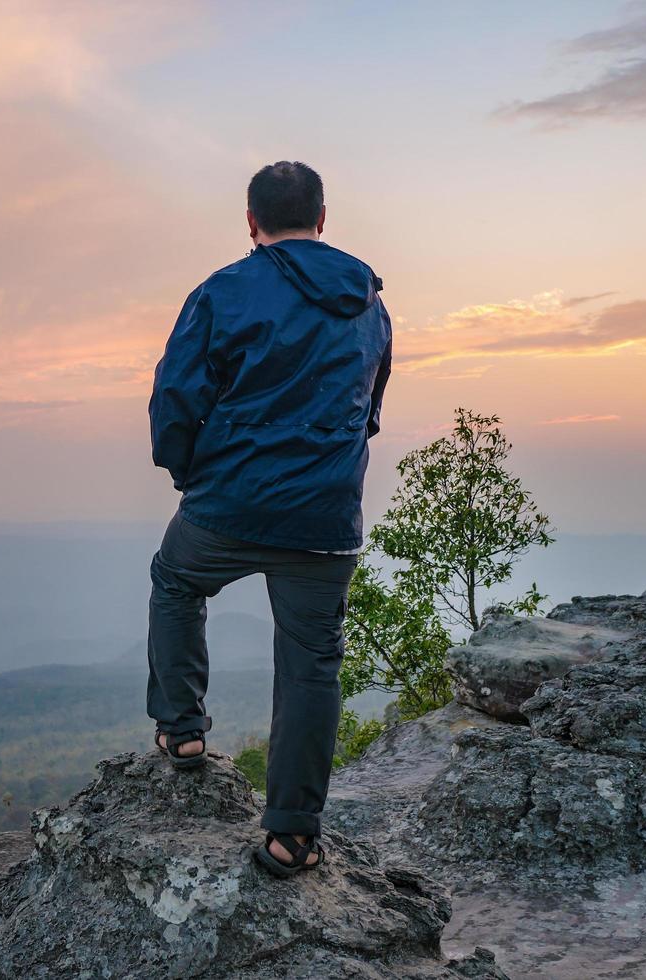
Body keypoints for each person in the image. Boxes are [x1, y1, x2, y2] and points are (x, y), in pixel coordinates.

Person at [145, 160, 393, 878]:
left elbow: (176, 400)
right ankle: (292, 835)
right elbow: (368, 406)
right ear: (322, 219)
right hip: (324, 515)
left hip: (227, 502)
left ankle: (182, 732)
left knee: (175, 581)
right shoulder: (370, 304)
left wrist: (189, 473)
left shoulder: (222, 291)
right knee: (312, 661)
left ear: (251, 222)